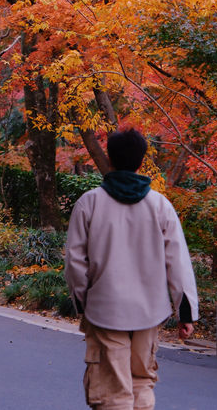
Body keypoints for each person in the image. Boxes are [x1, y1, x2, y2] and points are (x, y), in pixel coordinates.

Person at [64, 128, 199, 410]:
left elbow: (75, 262)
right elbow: (178, 262)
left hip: (105, 308)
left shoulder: (89, 203)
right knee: (141, 380)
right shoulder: (160, 205)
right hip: (150, 310)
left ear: (109, 159)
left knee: (113, 389)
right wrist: (185, 312)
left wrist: (83, 302)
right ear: (141, 161)